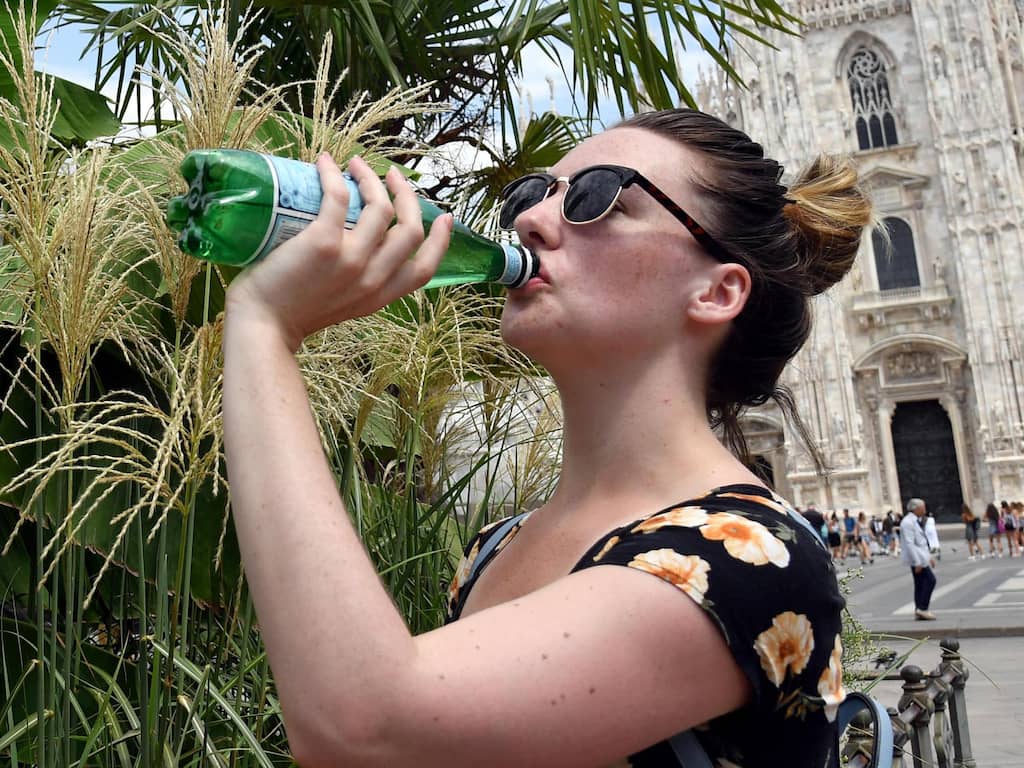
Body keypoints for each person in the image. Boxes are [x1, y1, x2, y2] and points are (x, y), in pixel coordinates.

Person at [220, 108, 872, 766]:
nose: (529, 220)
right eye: (534, 193)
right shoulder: (496, 548)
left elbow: (366, 726)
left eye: (596, 197)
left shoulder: (751, 557)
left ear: (715, 290)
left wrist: (264, 330)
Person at [900, 498, 937, 620]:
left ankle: (919, 609)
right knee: (930, 581)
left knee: (920, 584)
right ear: (916, 509)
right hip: (918, 559)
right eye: (923, 507)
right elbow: (910, 543)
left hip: (921, 557)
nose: (925, 510)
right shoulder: (908, 522)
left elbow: (921, 542)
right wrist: (917, 562)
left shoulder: (914, 521)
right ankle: (923, 608)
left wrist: (929, 557)